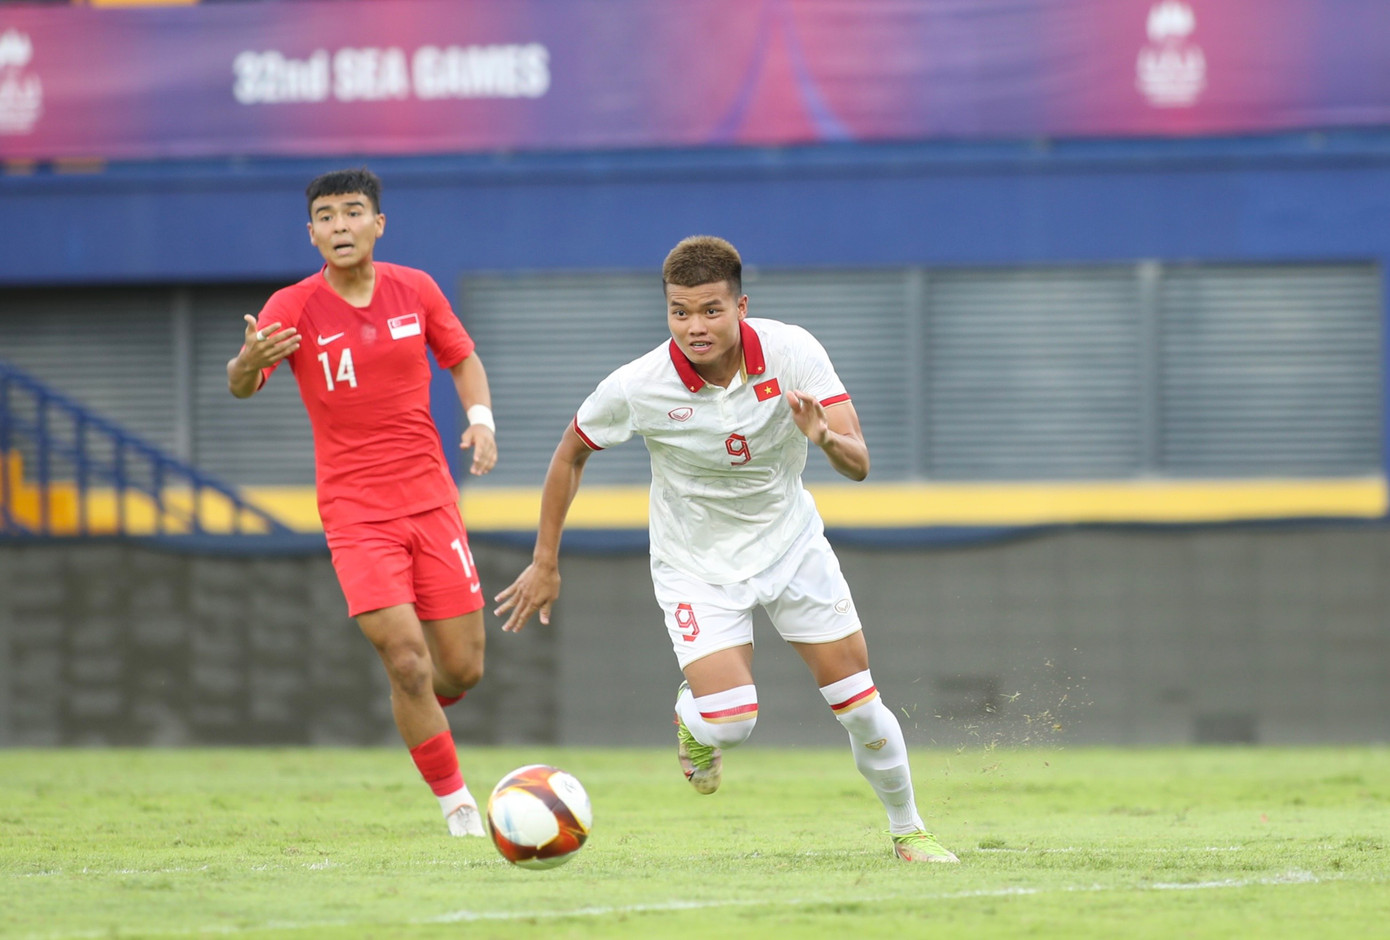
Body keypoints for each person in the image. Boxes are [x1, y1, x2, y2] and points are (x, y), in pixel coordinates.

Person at [495, 235, 958, 863]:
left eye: (711, 310)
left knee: (859, 705)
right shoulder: (639, 384)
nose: (695, 326)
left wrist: (822, 437)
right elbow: (569, 453)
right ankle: (696, 722)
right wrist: (545, 560)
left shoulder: (793, 351)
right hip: (696, 566)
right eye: (679, 311)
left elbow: (860, 463)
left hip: (792, 548)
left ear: (742, 305)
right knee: (733, 722)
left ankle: (909, 832)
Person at [227, 168, 497, 837]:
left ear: (379, 224)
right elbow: (243, 383)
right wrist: (245, 360)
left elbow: (461, 358)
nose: (340, 226)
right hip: (355, 514)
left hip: (432, 502)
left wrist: (482, 420)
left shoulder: (417, 289)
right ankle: (457, 804)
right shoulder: (291, 307)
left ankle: (416, 702)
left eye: (353, 213)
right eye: (326, 216)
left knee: (460, 668)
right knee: (407, 658)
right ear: (311, 232)